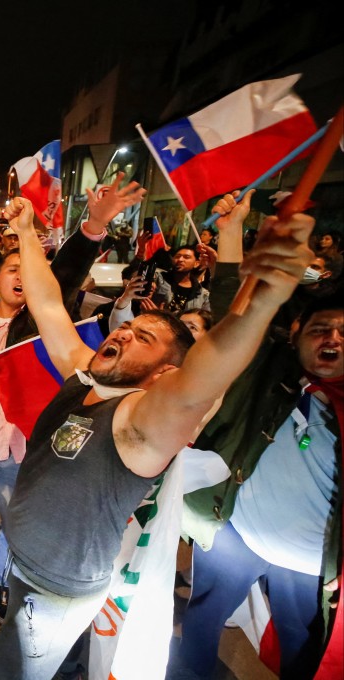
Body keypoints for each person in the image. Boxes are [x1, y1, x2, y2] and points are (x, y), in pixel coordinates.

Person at [0, 195, 314, 679]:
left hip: (53, 592)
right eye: (131, 327)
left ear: (164, 374)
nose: (123, 334)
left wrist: (264, 298)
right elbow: (48, 303)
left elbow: (203, 378)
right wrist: (27, 232)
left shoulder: (141, 423)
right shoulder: (87, 376)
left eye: (143, 339)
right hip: (26, 565)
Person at [0, 173, 145, 625]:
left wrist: (93, 227)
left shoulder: (36, 325)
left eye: (26, 270)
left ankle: (1, 581)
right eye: (11, 270)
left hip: (23, 447)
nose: (20, 276)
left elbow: (64, 278)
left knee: (15, 523)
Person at [175, 191, 341, 680]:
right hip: (234, 534)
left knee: (299, 644)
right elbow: (235, 308)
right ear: (297, 333)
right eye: (321, 329)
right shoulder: (270, 370)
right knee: (201, 622)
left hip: (308, 562)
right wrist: (232, 232)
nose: (332, 339)